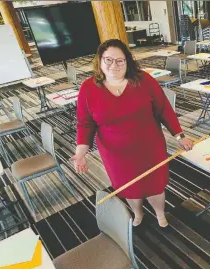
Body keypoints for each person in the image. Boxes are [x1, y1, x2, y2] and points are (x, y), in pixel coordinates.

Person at [71, 39, 194, 228]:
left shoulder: (144, 80)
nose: (114, 65)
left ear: (127, 61)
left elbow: (164, 110)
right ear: (100, 61)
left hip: (149, 147)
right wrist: (81, 152)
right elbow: (85, 124)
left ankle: (160, 213)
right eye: (108, 60)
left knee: (154, 185)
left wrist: (180, 135)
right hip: (115, 154)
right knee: (129, 188)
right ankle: (138, 212)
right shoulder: (88, 88)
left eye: (120, 60)